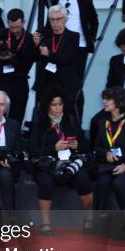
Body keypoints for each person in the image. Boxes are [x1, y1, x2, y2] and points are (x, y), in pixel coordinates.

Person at [29, 87, 93, 235]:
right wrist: (53, 147)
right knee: (46, 182)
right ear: (47, 106)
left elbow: (85, 145)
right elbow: (33, 151)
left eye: (60, 104)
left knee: (83, 179)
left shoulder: (70, 120)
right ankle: (45, 223)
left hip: (69, 164)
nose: (58, 108)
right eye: (54, 105)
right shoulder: (40, 123)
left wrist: (77, 146)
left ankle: (89, 219)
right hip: (47, 164)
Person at [94, 87, 125, 211]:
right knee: (102, 182)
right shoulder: (103, 122)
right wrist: (106, 153)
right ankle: (100, 218)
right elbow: (97, 147)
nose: (104, 102)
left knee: (118, 184)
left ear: (119, 101)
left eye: (108, 99)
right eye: (103, 99)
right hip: (110, 165)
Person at [33, 5, 81, 121]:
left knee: (66, 115)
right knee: (44, 114)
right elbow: (36, 58)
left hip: (65, 82)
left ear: (65, 19)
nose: (55, 23)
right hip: (46, 80)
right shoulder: (45, 35)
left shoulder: (73, 36)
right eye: (52, 20)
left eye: (58, 19)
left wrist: (49, 54)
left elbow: (68, 59)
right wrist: (36, 45)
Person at [0, 8, 35, 125]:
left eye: (17, 27)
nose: (14, 30)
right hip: (1, 79)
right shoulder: (0, 33)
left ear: (23, 23)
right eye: (11, 27)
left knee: (17, 114)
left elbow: (28, 60)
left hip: (20, 79)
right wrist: (0, 51)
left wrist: (11, 56)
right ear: (7, 22)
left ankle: (14, 139)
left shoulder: (29, 38)